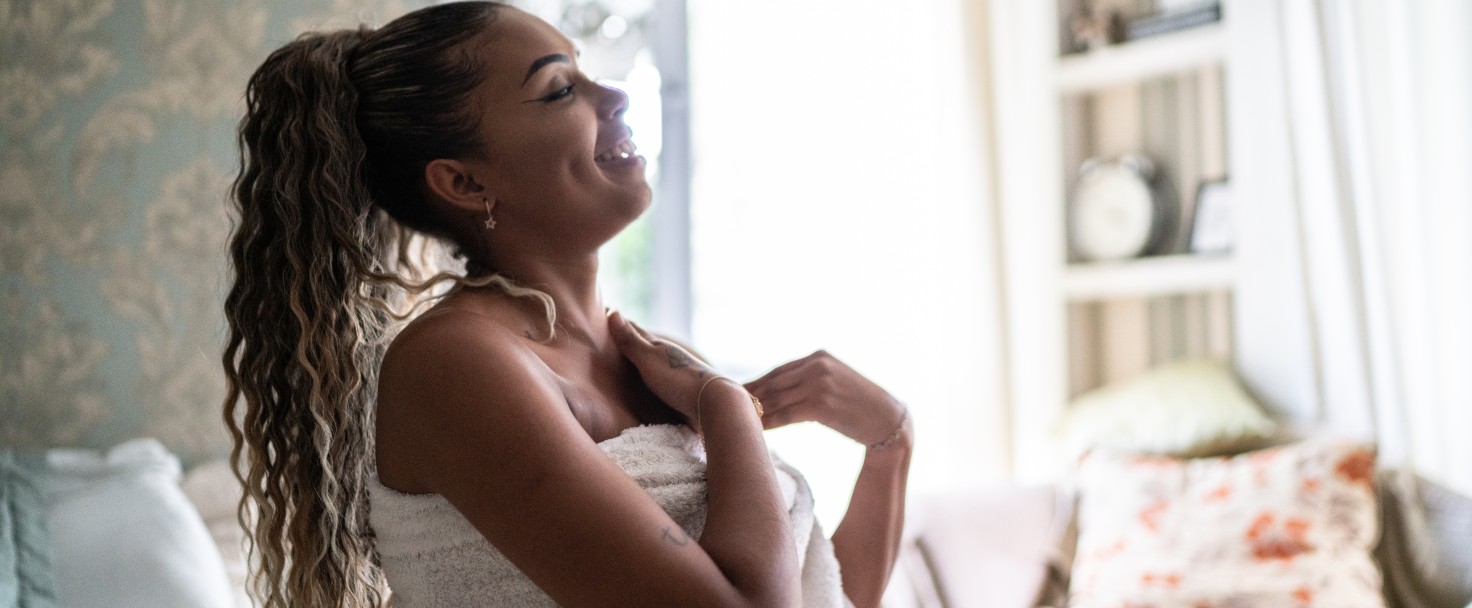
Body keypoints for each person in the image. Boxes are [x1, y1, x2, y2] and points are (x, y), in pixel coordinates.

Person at [222, 2, 912, 606]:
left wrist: (891, 445)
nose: (615, 95)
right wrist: (728, 406)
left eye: (585, 72)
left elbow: (820, 593)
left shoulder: (660, 358)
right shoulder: (455, 365)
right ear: (464, 182)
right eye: (559, 90)